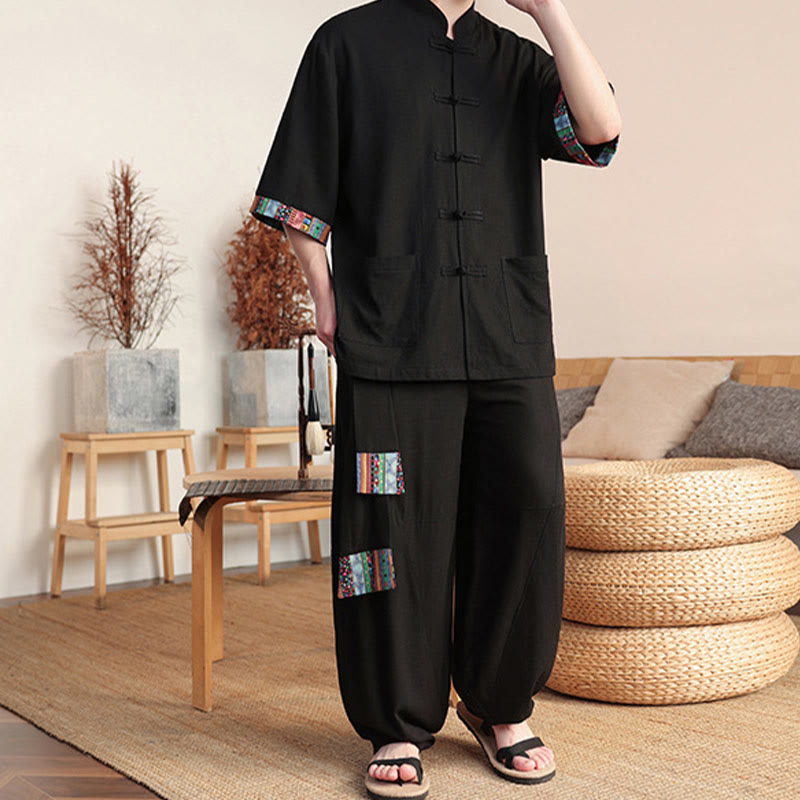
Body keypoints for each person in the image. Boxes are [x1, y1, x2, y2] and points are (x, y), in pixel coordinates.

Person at [250, 0, 621, 796]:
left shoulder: (517, 59)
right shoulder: (347, 44)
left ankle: (499, 705)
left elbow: (600, 132)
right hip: (392, 334)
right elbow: (298, 189)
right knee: (386, 528)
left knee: (527, 508)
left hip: (508, 334)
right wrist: (325, 298)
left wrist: (550, 11)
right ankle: (395, 720)